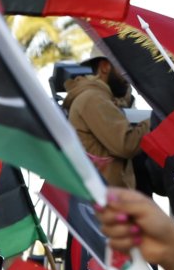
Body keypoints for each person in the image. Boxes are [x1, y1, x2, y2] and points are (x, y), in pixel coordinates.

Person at [63, 55, 148, 189]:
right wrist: (155, 121)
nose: (128, 76)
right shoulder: (93, 98)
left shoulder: (97, 97)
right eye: (123, 68)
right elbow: (126, 145)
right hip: (109, 201)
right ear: (105, 67)